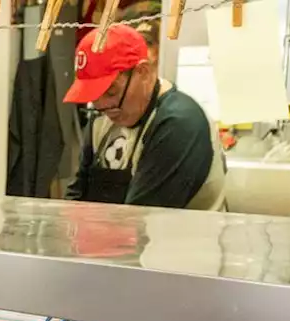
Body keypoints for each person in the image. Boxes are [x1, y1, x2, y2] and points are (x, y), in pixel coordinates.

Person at [63, 24, 226, 210]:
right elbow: (77, 196)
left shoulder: (179, 124)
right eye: (93, 94)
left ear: (143, 73)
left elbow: (141, 224)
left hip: (178, 238)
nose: (103, 106)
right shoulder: (104, 116)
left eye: (110, 92)